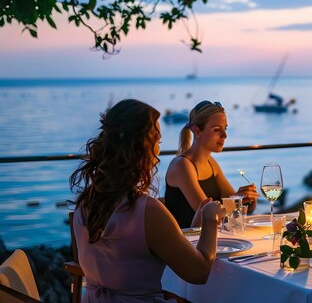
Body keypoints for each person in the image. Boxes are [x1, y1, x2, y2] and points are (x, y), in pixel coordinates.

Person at [70, 99, 226, 302]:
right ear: (144, 149)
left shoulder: (85, 203)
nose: (159, 151)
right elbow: (199, 272)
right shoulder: (148, 212)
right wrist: (210, 219)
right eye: (158, 142)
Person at [165, 100, 258, 229]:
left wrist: (247, 199)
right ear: (197, 131)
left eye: (225, 129)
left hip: (210, 238)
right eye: (217, 130)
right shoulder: (182, 166)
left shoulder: (211, 162)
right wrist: (236, 201)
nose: (225, 135)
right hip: (187, 242)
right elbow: (208, 214)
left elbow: (232, 205)